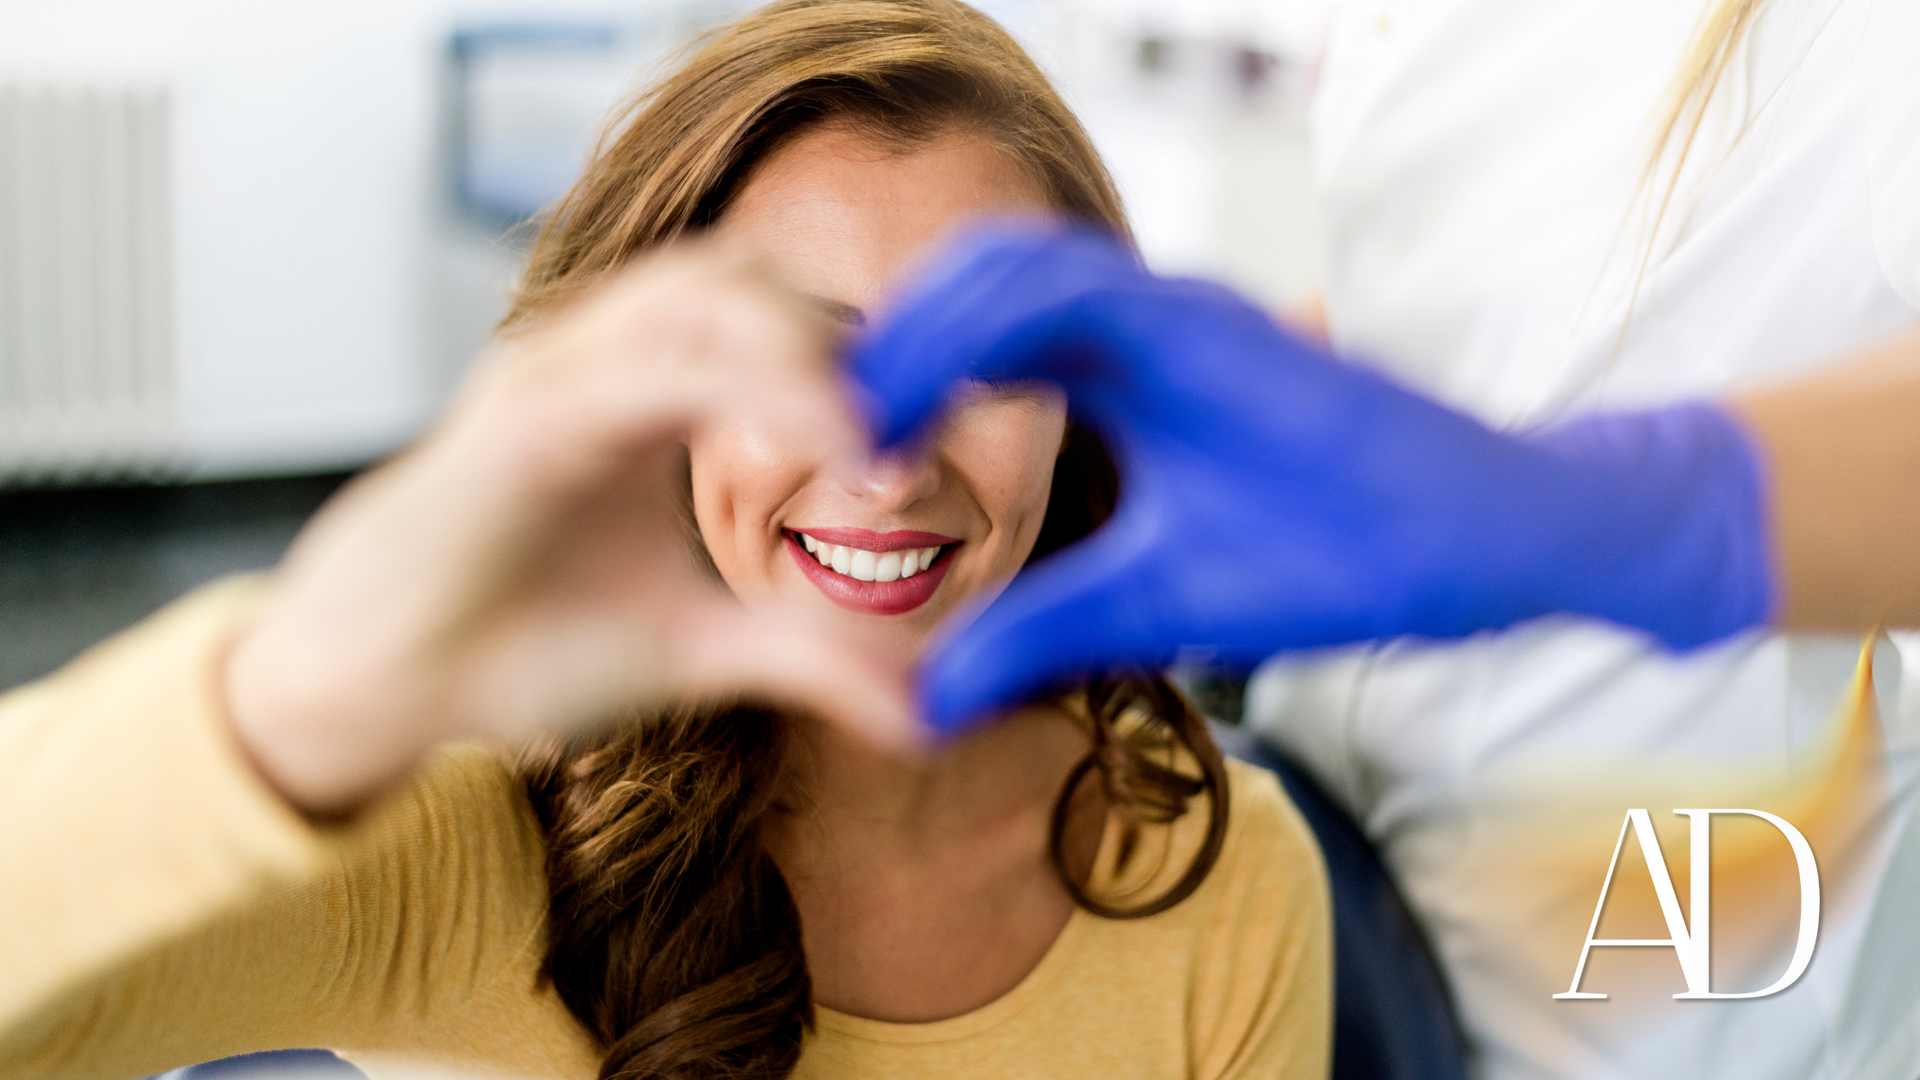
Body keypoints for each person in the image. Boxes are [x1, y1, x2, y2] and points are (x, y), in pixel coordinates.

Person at [0, 4, 1331, 1080]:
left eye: (986, 361)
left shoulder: (1211, 866)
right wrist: (314, 676)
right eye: (805, 350)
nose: (887, 459)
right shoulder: (482, 840)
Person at [845, 1, 1920, 1078]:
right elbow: (1488, 302)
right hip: (1355, 878)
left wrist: (1596, 509)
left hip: (1678, 978)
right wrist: (1198, 409)